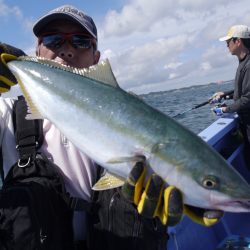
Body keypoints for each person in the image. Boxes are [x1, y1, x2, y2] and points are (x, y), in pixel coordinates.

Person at [0, 5, 223, 250]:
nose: (66, 50)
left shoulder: (131, 116)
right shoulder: (8, 114)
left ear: (97, 58)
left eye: (80, 41)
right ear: (37, 52)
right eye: (53, 41)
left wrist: (190, 193)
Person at [211, 25, 250, 168]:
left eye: (228, 42)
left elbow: (248, 99)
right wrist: (225, 95)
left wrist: (226, 110)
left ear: (238, 41)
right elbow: (243, 91)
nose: (227, 45)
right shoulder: (243, 62)